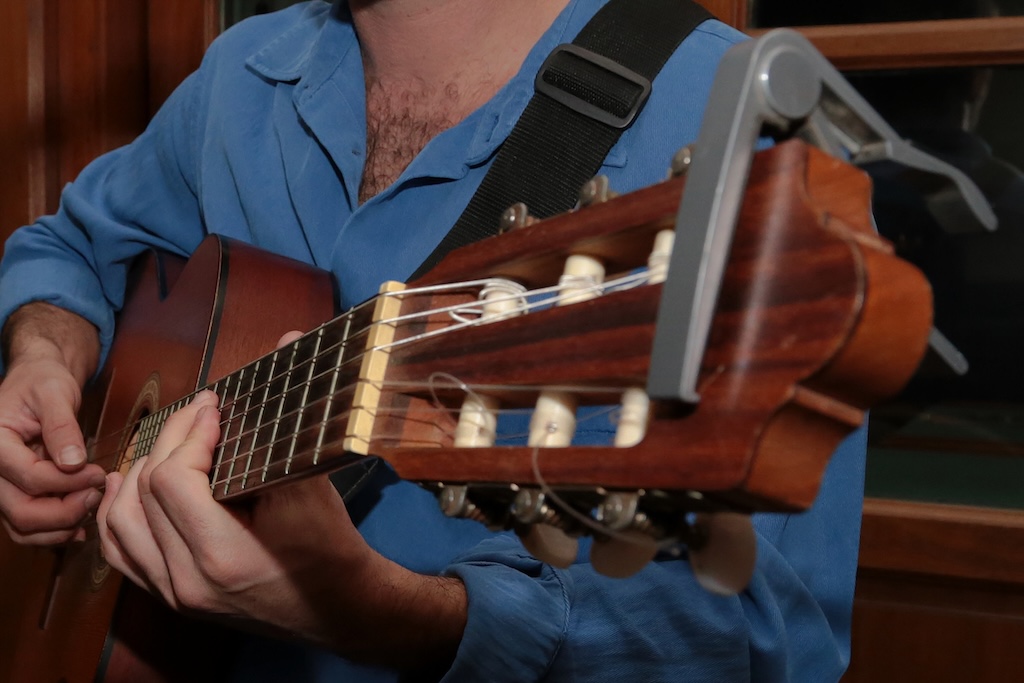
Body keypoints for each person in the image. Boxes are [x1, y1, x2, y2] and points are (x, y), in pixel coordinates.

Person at [0, 0, 867, 680]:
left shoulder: (728, 123)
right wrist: (44, 353)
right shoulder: (241, 76)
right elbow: (70, 246)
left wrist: (378, 611)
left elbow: (765, 642)